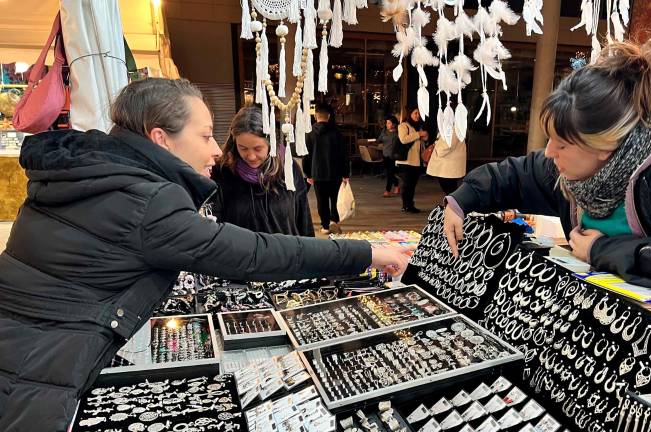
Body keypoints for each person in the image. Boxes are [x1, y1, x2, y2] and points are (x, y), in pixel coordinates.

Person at [0, 78, 412, 431]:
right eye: (205, 135)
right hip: (39, 375)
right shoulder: (146, 200)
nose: (217, 149)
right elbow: (256, 253)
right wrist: (365, 252)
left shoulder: (87, 172)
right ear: (160, 137)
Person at [443, 39, 651, 300]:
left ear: (605, 146)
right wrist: (462, 201)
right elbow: (516, 175)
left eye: (562, 144)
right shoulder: (571, 169)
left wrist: (599, 249)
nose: (550, 152)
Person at [211, 105, 314, 236]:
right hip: (242, 255)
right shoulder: (222, 172)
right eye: (243, 148)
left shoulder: (288, 168)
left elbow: (304, 220)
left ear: (271, 143)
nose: (251, 156)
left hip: (286, 254)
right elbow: (215, 225)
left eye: (258, 149)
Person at [305, 103, 349, 235]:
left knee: (321, 200)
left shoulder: (310, 133)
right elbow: (343, 155)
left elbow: (307, 155)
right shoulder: (337, 133)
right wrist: (346, 173)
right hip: (335, 173)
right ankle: (334, 221)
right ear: (329, 116)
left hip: (317, 173)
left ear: (315, 116)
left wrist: (308, 174)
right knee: (335, 198)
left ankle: (325, 226)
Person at [396, 107, 429, 213]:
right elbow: (403, 139)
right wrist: (418, 134)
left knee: (412, 184)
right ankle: (406, 205)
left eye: (419, 113)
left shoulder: (418, 127)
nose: (417, 115)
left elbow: (420, 144)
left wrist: (425, 138)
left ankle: (409, 204)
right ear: (410, 114)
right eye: (415, 113)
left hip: (416, 161)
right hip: (406, 161)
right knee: (407, 184)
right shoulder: (403, 125)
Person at [377, 115, 400, 197]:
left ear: (394, 124)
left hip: (393, 156)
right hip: (385, 155)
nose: (387, 124)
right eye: (387, 123)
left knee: (390, 173)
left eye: (389, 123)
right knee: (389, 173)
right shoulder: (384, 131)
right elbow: (379, 139)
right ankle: (396, 185)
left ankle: (387, 190)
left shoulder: (398, 133)